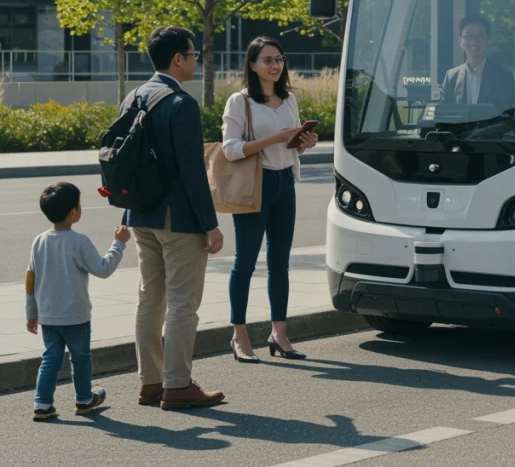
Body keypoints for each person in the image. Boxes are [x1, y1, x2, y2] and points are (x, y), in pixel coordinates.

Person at [123, 25, 225, 410]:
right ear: (177, 59)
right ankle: (178, 385)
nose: (196, 60)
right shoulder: (181, 103)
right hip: (177, 218)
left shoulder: (133, 97)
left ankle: (150, 383)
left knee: (150, 300)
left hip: (140, 215)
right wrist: (209, 224)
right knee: (184, 303)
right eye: (193, 54)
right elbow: (191, 171)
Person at [222, 36, 317, 363]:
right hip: (255, 185)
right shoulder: (240, 101)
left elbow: (290, 145)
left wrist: (304, 141)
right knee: (245, 263)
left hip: (284, 183)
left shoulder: (288, 99)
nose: (276, 65)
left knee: (280, 263)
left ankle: (279, 334)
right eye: (267, 60)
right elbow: (230, 149)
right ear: (252, 65)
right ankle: (239, 335)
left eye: (279, 59)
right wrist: (274, 138)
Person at [25, 182, 128, 421]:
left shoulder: (39, 241)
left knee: (50, 359)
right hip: (76, 315)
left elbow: (30, 278)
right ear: (73, 213)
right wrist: (119, 243)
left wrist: (31, 312)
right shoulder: (79, 241)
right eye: (79, 205)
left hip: (48, 315)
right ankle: (83, 399)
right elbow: (103, 269)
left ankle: (42, 403)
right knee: (80, 358)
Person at [439, 14, 515, 114]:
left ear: (488, 40)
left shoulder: (503, 77)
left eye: (480, 37)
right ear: (460, 40)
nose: (473, 41)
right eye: (468, 36)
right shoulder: (451, 77)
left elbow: (509, 117)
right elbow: (444, 115)